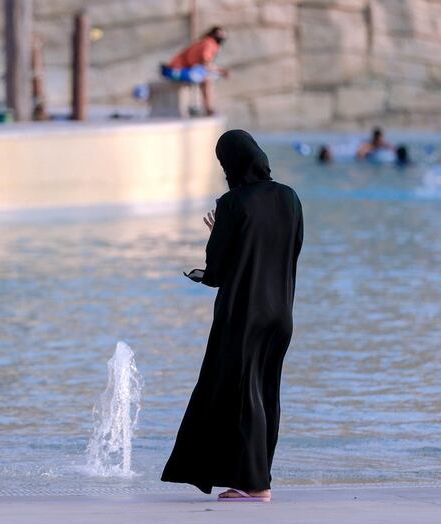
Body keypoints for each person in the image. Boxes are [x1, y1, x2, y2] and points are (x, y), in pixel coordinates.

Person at [162, 130, 303, 502]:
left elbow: (217, 273)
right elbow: (289, 252)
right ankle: (255, 477)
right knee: (265, 393)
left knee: (242, 394)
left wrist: (217, 232)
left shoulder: (233, 203)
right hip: (281, 314)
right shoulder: (290, 198)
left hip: (243, 313)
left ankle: (256, 485)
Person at [161, 26, 230, 116]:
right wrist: (222, 71)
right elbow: (206, 64)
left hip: (176, 71)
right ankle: (208, 108)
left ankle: (201, 107)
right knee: (206, 79)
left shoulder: (206, 42)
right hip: (175, 72)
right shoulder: (209, 43)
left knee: (204, 76)